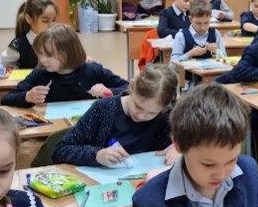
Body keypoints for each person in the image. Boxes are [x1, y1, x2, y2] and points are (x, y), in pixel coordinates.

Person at [52, 65, 180, 166]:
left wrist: (180, 149)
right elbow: (60, 150)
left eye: (152, 113)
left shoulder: (167, 116)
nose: (141, 116)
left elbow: (189, 145)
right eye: (138, 106)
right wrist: (96, 155)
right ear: (132, 86)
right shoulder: (103, 109)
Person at [1, 24, 127, 108]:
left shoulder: (93, 71)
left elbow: (128, 88)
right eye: (40, 54)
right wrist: (27, 96)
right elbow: (7, 99)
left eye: (49, 55)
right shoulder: (39, 75)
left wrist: (109, 92)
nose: (42, 60)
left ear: (69, 53)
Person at [0, 0, 59, 69]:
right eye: (45, 21)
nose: (51, 25)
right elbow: (5, 69)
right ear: (29, 19)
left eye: (54, 20)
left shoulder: (58, 41)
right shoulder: (18, 46)